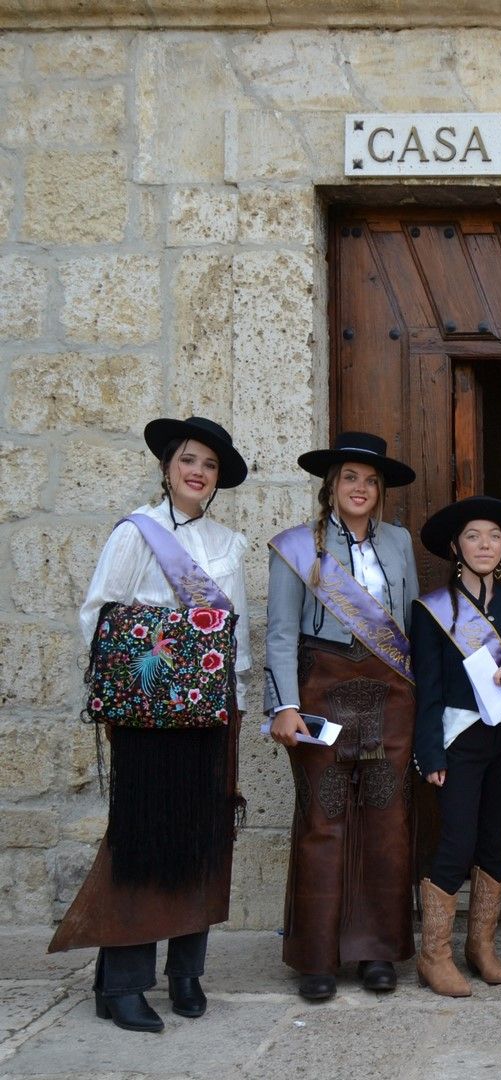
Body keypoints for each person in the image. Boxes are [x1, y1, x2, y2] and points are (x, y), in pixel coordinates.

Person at [51, 416, 251, 1033]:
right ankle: (125, 980)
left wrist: (234, 704)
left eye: (210, 465)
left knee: (201, 839)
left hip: (213, 714)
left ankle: (186, 973)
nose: (198, 472)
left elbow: (235, 636)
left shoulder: (227, 544)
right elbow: (98, 619)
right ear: (167, 467)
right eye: (188, 460)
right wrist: (160, 654)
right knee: (142, 842)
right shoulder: (136, 534)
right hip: (147, 713)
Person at [265, 432, 421, 1001]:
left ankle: (377, 952)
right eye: (350, 478)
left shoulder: (400, 542)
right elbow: (281, 632)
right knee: (322, 823)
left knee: (387, 822)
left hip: (390, 694)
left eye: (371, 480)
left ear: (380, 491)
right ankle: (318, 958)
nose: (361, 488)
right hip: (321, 689)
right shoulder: (296, 546)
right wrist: (284, 705)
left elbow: (405, 626)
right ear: (331, 486)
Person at [411, 496, 501, 996]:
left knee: (497, 841)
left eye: (493, 537)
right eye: (473, 536)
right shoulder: (433, 609)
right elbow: (427, 689)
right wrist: (429, 753)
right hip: (458, 741)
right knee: (456, 842)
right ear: (456, 546)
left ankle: (482, 948)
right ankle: (434, 955)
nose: (484, 545)